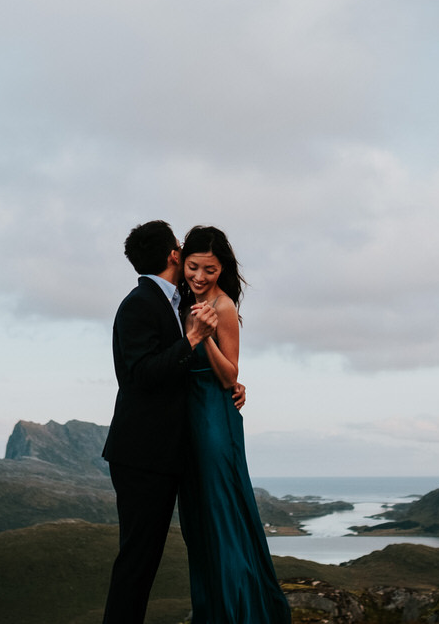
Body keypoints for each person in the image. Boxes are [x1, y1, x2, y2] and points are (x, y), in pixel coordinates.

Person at [101, 220, 218, 624]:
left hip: (167, 455)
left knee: (148, 560)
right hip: (142, 458)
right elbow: (141, 375)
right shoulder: (139, 304)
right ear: (173, 255)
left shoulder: (174, 301)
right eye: (181, 245)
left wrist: (230, 385)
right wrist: (191, 339)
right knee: (138, 561)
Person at [176, 225, 290, 624]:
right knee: (199, 520)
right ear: (182, 262)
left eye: (209, 269)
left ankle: (239, 613)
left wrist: (203, 336)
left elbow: (229, 375)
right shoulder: (182, 296)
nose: (200, 277)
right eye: (193, 267)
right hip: (188, 417)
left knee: (222, 516)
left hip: (212, 419)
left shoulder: (222, 308)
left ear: (222, 268)